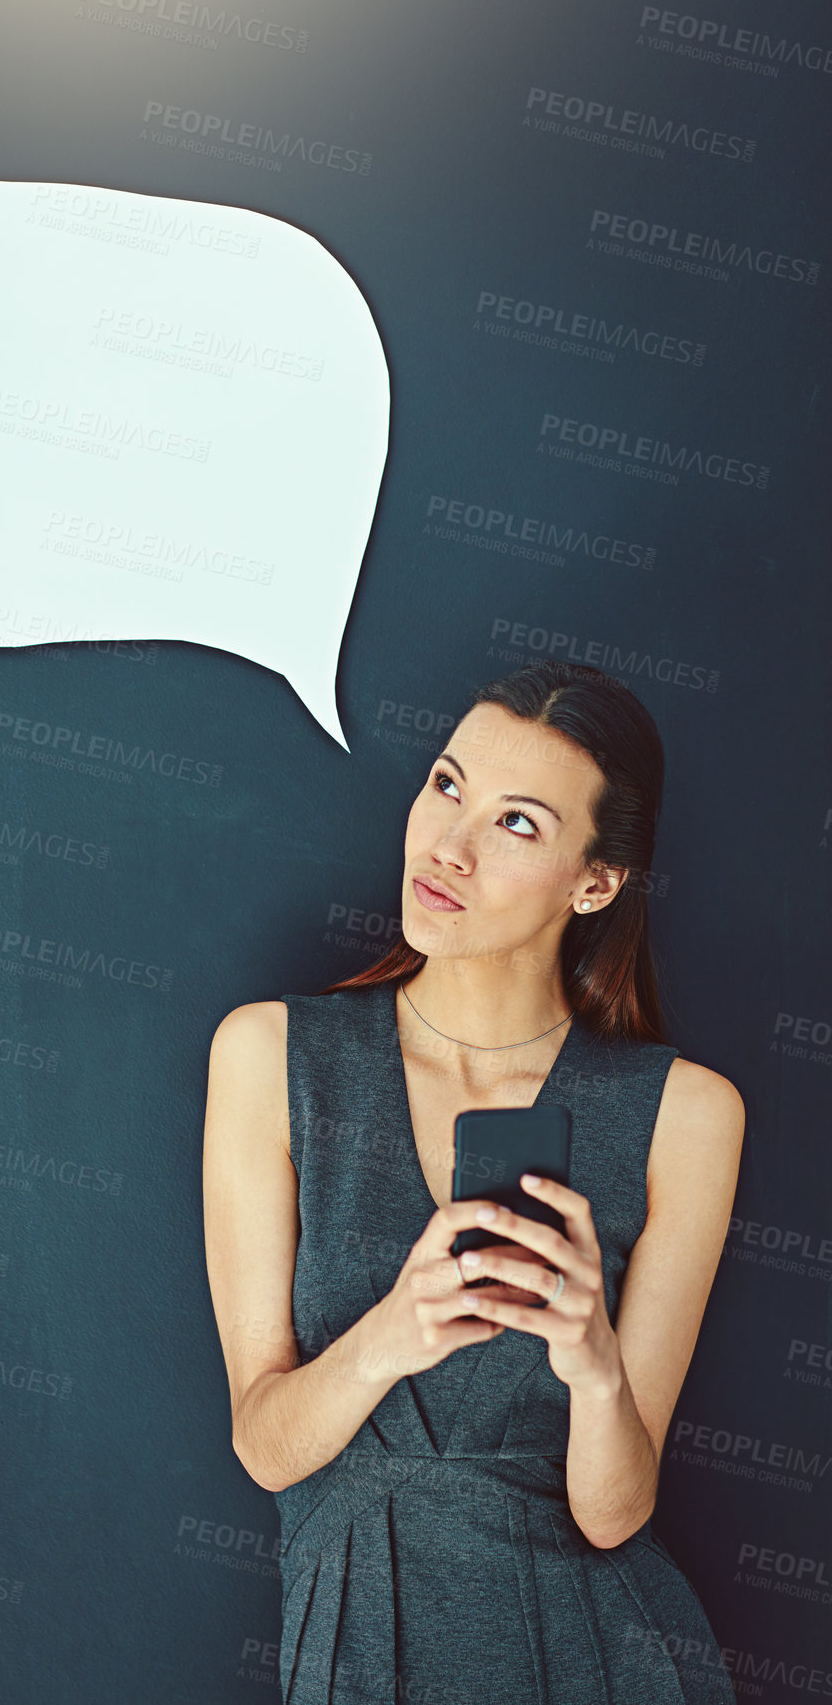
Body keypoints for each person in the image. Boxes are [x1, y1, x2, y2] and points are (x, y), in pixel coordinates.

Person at [202, 658, 744, 1705]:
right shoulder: (268, 1057)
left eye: (516, 824)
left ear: (595, 882)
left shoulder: (684, 1115)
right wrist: (388, 1335)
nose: (446, 846)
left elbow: (612, 1512)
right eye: (446, 785)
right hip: (354, 1641)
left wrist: (591, 1364)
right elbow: (266, 1448)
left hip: (599, 1655)